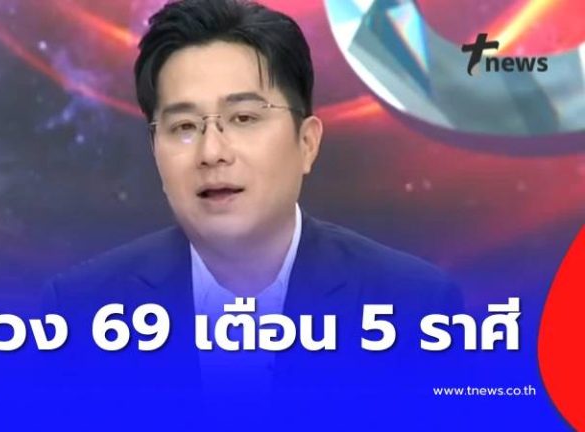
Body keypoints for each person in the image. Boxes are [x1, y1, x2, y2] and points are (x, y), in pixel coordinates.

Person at [46, 0, 463, 402]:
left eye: (243, 118)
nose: (212, 152)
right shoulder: (80, 315)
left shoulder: (415, 307)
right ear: (155, 149)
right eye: (185, 126)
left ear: (307, 143)